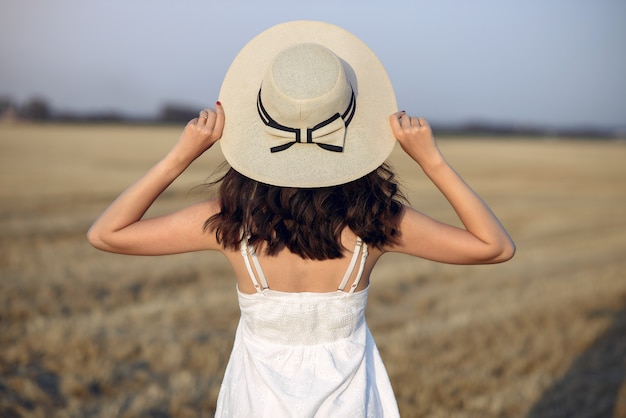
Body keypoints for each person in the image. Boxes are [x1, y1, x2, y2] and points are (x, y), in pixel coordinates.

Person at [88, 21, 515, 417]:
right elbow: (495, 247)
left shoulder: (231, 224)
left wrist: (180, 155)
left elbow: (107, 234)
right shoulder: (377, 225)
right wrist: (432, 160)